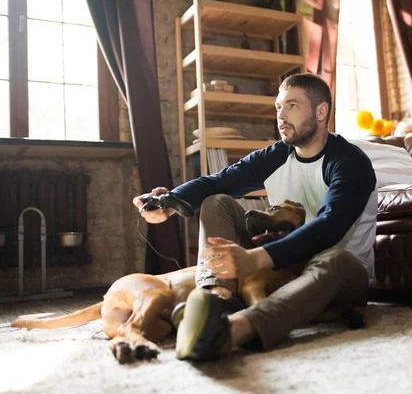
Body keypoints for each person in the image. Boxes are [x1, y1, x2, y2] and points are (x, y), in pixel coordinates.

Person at [133, 73, 378, 361]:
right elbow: (218, 182)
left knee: (334, 258)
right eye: (278, 107)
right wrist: (169, 200)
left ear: (321, 111)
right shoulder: (277, 155)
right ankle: (216, 298)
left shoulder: (350, 163)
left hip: (341, 273)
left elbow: (329, 227)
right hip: (287, 267)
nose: (281, 116)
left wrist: (257, 258)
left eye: (292, 106)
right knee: (217, 201)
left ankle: (232, 331)